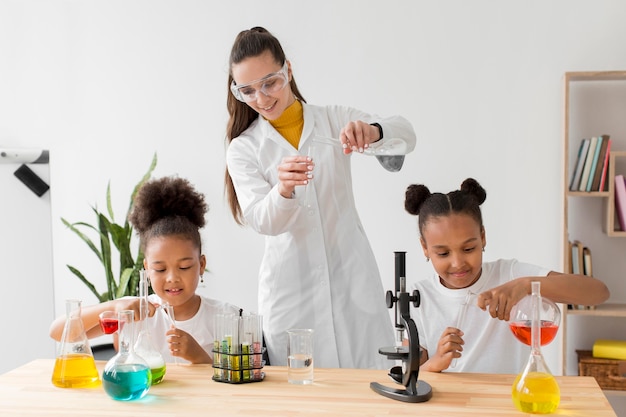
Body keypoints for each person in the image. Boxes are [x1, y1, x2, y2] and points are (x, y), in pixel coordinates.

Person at [224, 26, 417, 369]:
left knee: (369, 383)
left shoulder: (332, 120)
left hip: (351, 278)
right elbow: (262, 220)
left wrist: (372, 132)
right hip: (291, 292)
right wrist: (282, 190)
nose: (262, 98)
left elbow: (405, 134)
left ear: (288, 70)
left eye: (270, 82)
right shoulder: (244, 148)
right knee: (303, 393)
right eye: (248, 91)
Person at [405, 178, 610, 374]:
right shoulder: (417, 297)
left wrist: (526, 286)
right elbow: (408, 380)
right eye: (443, 253)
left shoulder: (510, 274)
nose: (458, 263)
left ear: (483, 237)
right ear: (425, 247)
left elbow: (598, 293)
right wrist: (434, 364)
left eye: (468, 249)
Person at [50, 176, 240, 364]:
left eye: (184, 267)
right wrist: (113, 307)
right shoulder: (134, 312)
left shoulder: (227, 317)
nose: (172, 278)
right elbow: (58, 332)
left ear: (201, 265)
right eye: (159, 269)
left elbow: (242, 387)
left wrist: (199, 357)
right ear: (147, 269)